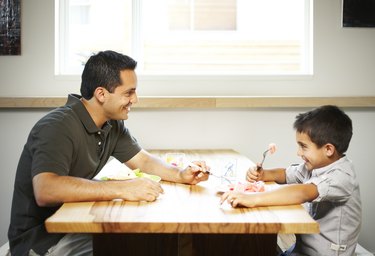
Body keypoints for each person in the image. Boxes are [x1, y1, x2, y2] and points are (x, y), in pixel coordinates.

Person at [8, 50, 210, 256]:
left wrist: (181, 174)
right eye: (128, 93)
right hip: (42, 242)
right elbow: (46, 189)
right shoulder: (57, 126)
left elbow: (143, 161)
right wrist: (122, 189)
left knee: (152, 241)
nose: (135, 99)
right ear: (101, 94)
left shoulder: (111, 124)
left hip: (76, 228)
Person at [221, 105, 361, 256]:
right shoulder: (314, 166)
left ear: (328, 149)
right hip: (303, 249)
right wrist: (264, 175)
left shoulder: (341, 176)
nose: (298, 152)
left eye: (303, 147)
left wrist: (253, 199)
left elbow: (303, 193)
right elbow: (286, 174)